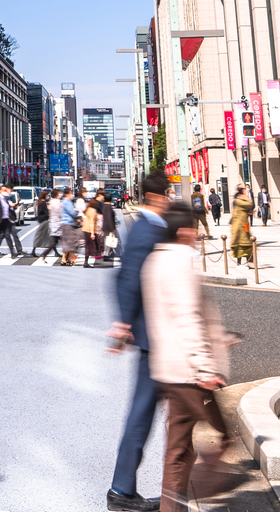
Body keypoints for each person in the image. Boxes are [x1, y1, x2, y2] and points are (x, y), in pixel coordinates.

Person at [144, 206, 235, 512]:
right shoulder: (179, 264)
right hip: (189, 372)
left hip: (168, 368)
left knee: (178, 448)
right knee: (223, 435)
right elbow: (187, 318)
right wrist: (205, 367)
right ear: (184, 232)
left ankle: (172, 507)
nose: (198, 236)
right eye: (195, 230)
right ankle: (204, 487)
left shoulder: (154, 261)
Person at [107, 172, 173, 511]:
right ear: (160, 196)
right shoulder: (150, 229)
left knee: (148, 411)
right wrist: (124, 323)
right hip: (157, 336)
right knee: (147, 412)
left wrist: (124, 321)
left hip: (154, 333)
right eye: (169, 194)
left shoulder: (144, 226)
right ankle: (122, 490)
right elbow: (127, 277)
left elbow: (124, 277)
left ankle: (124, 488)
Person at [0, 184, 25, 256]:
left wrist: (13, 206)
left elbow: (9, 209)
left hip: (7, 220)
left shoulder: (7, 199)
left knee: (8, 236)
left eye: (6, 190)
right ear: (0, 191)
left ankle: (13, 252)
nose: (6, 192)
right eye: (4, 190)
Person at [229, 184, 254, 267]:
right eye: (244, 188)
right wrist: (246, 196)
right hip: (240, 225)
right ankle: (242, 262)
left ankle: (246, 262)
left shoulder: (238, 199)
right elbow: (248, 204)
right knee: (243, 244)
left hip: (244, 223)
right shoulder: (239, 200)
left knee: (247, 243)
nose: (245, 189)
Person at [58, 188, 85, 266]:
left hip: (68, 223)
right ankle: (67, 258)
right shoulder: (67, 202)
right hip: (68, 223)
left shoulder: (66, 202)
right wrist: (76, 210)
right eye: (70, 194)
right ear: (67, 194)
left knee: (69, 241)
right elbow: (73, 212)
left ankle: (68, 258)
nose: (72, 195)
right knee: (71, 241)